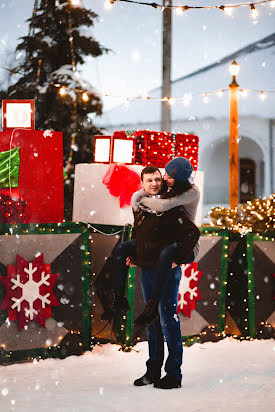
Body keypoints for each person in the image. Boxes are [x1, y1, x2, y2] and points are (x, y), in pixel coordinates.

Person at [101, 158, 200, 389]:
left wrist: (179, 257)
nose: (160, 181)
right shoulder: (158, 194)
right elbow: (144, 233)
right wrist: (137, 255)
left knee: (167, 318)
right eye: (153, 179)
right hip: (150, 263)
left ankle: (174, 373)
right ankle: (153, 369)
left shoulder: (184, 195)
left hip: (170, 263)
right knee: (153, 317)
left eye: (163, 177)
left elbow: (183, 231)